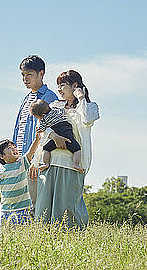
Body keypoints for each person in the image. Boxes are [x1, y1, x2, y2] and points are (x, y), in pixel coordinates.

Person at [30, 70, 100, 230]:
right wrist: (55, 136)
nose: (59, 90)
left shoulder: (90, 107)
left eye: (62, 86)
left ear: (75, 86)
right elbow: (41, 128)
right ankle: (45, 245)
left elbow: (87, 119)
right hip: (49, 162)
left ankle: (71, 242)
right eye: (58, 86)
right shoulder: (54, 106)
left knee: (67, 208)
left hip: (71, 164)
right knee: (44, 208)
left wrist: (81, 97)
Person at [12, 55, 59, 205]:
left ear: (41, 73)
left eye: (29, 74)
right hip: (21, 157)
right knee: (21, 201)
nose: (25, 79)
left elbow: (48, 130)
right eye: (23, 75)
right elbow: (19, 129)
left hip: (36, 159)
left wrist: (36, 159)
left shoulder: (49, 97)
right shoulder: (25, 99)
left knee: (36, 201)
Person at [30, 99, 83, 173]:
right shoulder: (57, 110)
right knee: (77, 149)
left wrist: (38, 128)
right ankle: (76, 164)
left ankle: (46, 163)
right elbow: (63, 109)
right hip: (68, 134)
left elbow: (41, 129)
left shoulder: (44, 119)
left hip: (57, 136)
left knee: (46, 149)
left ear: (42, 115)